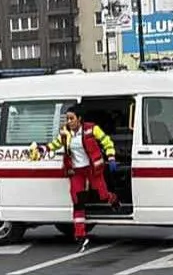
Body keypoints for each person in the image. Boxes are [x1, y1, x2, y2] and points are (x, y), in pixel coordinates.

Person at [34, 106, 118, 250]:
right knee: (77, 200)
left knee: (101, 195)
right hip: (76, 171)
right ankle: (80, 235)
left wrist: (111, 157)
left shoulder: (92, 129)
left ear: (79, 118)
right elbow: (55, 144)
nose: (69, 121)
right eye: (67, 118)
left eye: (71, 118)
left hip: (92, 168)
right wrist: (43, 149)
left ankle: (113, 198)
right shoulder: (65, 133)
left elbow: (106, 141)